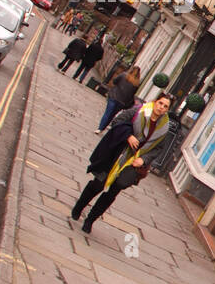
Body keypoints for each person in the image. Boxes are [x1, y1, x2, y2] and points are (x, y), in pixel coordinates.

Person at [71, 95, 175, 234]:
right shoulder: (139, 111)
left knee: (116, 188)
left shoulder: (164, 128)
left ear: (167, 110)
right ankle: (79, 207)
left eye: (165, 106)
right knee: (98, 184)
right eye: (160, 103)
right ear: (155, 102)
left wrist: (144, 159)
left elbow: (158, 148)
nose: (161, 107)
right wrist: (128, 135)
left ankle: (90, 220)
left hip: (134, 161)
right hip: (116, 153)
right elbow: (117, 121)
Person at [97, 65, 142, 132]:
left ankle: (100, 128)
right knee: (112, 115)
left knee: (107, 113)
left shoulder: (123, 75)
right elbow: (132, 94)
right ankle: (102, 128)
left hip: (114, 96)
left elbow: (115, 81)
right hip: (122, 102)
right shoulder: (136, 83)